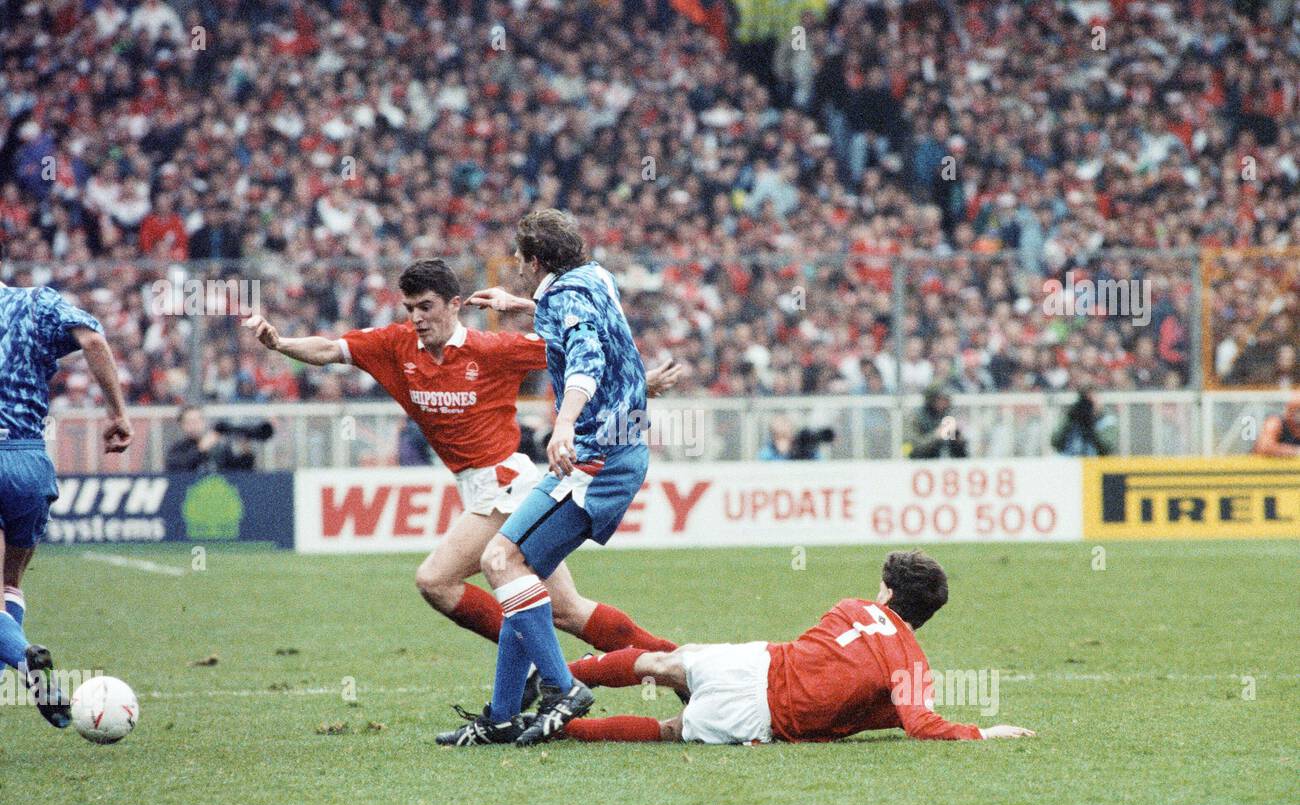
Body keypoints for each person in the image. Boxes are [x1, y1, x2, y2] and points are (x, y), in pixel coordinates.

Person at [245, 258, 682, 713]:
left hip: (507, 486)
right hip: (484, 489)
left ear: (455, 305)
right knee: (568, 610)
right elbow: (330, 349)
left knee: (436, 579)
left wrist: (639, 384)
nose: (417, 318)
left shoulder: (492, 349)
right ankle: (679, 664)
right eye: (410, 307)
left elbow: (581, 352)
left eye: (427, 307)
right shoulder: (395, 345)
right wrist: (280, 343)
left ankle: (543, 667)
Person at [439, 210, 655, 746]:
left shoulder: (563, 297)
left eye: (520, 260)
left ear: (535, 261)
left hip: (595, 458)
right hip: (620, 449)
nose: (517, 267)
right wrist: (522, 306)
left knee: (499, 560)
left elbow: (586, 358)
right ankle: (504, 715)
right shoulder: (596, 276)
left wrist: (562, 424)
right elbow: (587, 321)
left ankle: (564, 689)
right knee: (521, 575)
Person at [559, 550, 1035, 745]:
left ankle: (562, 675)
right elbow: (919, 724)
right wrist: (985, 732)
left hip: (759, 663)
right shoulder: (912, 664)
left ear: (888, 594)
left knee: (664, 663)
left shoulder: (852, 607)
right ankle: (561, 733)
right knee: (669, 730)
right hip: (767, 719)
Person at [0, 282, 132, 728]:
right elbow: (93, 339)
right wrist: (117, 413)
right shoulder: (35, 302)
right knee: (9, 582)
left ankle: (23, 662)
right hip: (28, 460)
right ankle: (16, 659)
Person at [165, 405, 258, 471]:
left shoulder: (219, 446)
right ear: (182, 425)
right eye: (189, 422)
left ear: (204, 422)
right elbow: (175, 468)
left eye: (197, 421)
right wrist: (200, 449)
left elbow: (241, 471)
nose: (193, 426)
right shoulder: (178, 448)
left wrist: (246, 451)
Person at [907, 385, 968, 458]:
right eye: (940, 399)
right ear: (931, 400)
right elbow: (915, 448)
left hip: (946, 463)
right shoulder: (917, 417)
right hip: (923, 462)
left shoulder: (947, 414)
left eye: (946, 400)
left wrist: (958, 437)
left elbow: (961, 452)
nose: (944, 403)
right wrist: (936, 436)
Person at [1051, 389, 1116, 457]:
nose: (1088, 407)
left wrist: (1090, 427)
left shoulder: (1107, 421)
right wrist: (1069, 420)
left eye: (1091, 402)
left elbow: (1107, 448)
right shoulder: (1072, 419)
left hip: (1095, 464)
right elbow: (1054, 442)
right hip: (1070, 462)